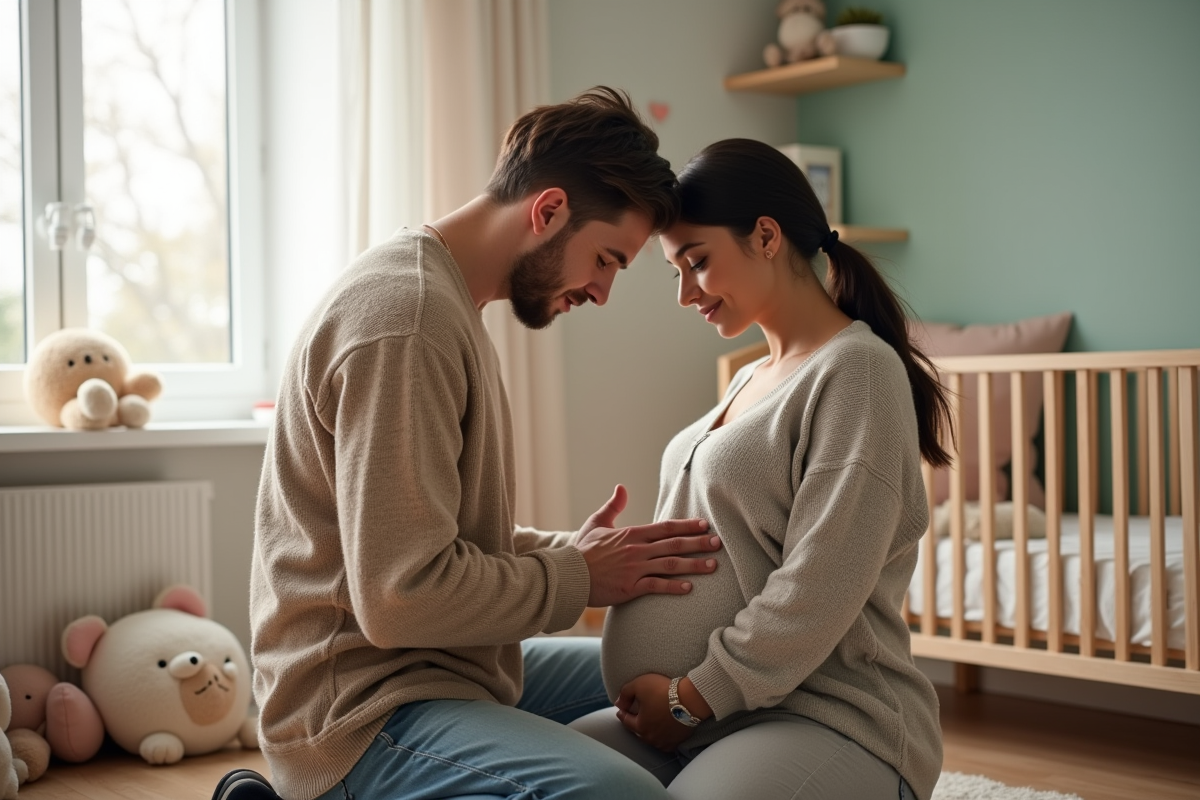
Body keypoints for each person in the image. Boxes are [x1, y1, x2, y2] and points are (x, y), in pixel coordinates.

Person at [215, 89, 727, 800]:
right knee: (620, 794)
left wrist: (570, 556)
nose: (603, 292)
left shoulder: (443, 298)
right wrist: (578, 578)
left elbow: (427, 533)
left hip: (437, 668)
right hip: (360, 711)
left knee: (682, 679)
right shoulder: (410, 322)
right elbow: (400, 596)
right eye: (606, 260)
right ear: (547, 212)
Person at [569, 138, 951, 800]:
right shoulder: (750, 377)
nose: (686, 293)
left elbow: (820, 585)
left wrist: (691, 697)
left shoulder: (856, 371)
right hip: (708, 721)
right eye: (675, 273)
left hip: (829, 715)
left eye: (697, 263)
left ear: (766, 237)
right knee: (532, 778)